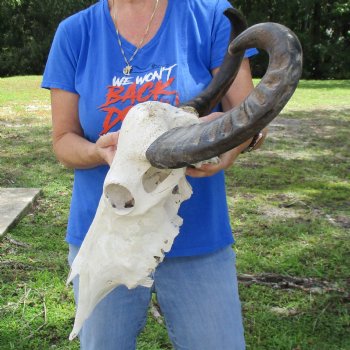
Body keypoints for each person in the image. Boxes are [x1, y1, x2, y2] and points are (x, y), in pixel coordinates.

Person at [42, 0, 267, 349]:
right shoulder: (75, 33)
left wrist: (228, 147)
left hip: (196, 236)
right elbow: (62, 140)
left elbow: (250, 117)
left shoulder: (211, 18)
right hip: (106, 234)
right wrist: (99, 151)